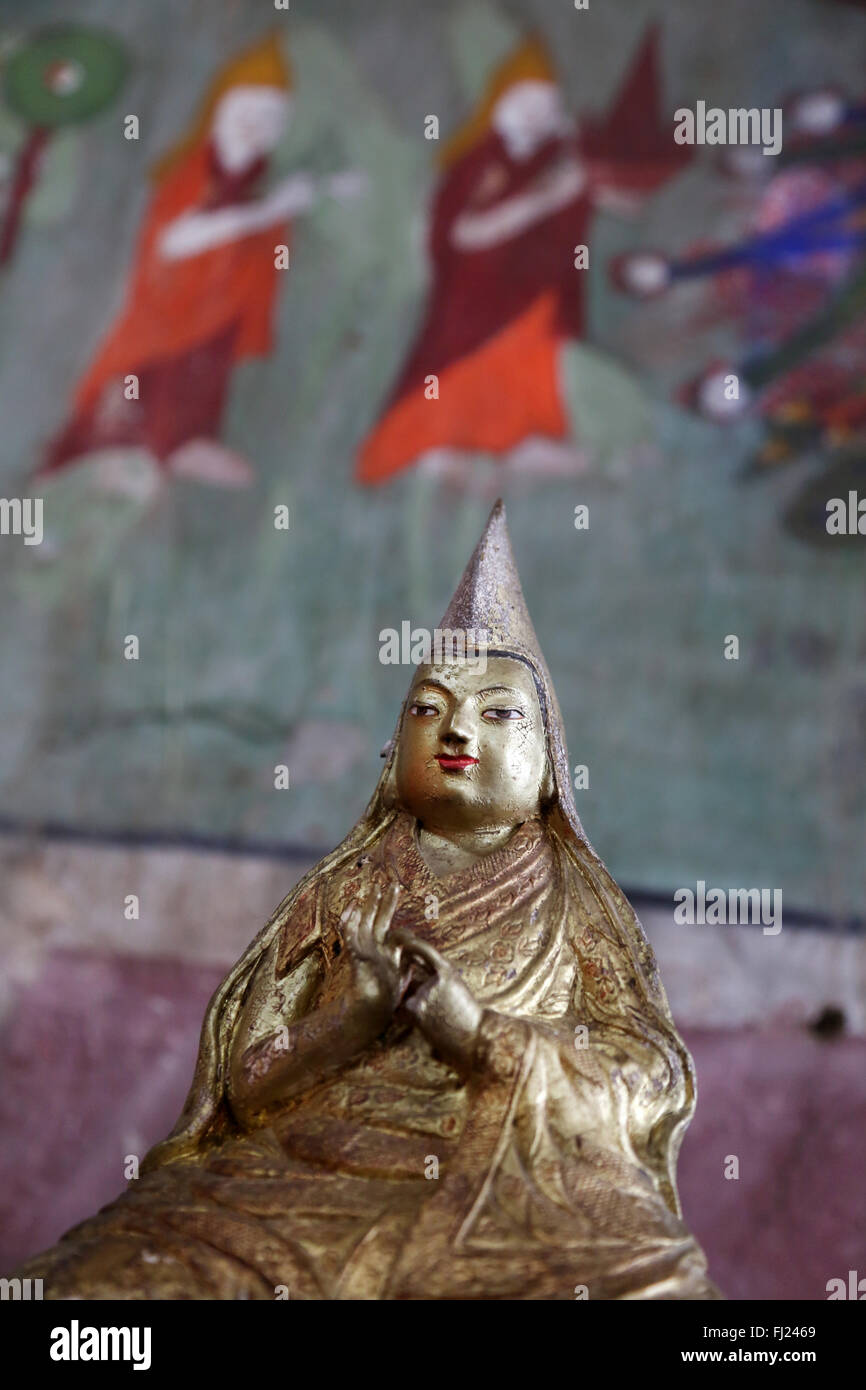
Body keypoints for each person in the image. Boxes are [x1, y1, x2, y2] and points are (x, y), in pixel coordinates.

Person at [12, 501, 719, 1299]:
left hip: (509, 1178)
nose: (458, 734)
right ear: (393, 753)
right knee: (110, 1286)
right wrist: (350, 1019)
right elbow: (245, 1084)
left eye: (497, 714)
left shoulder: (575, 906)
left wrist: (482, 1037)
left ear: (551, 764)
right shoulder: (342, 889)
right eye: (429, 709)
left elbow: (648, 1078)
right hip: (307, 1163)